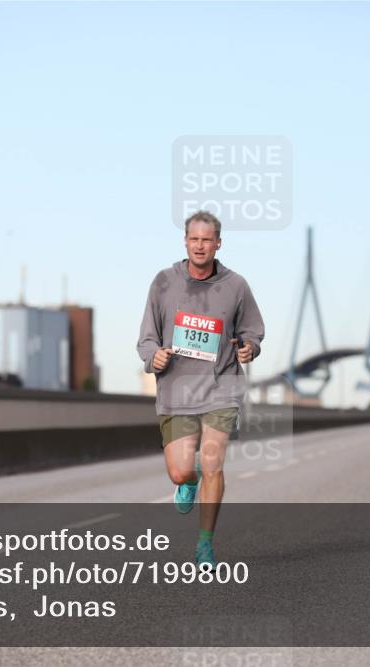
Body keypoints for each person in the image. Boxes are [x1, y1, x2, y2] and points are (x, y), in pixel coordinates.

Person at [137, 211, 265, 567]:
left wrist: (249, 347)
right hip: (177, 390)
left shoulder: (236, 286)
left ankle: (205, 543)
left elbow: (253, 331)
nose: (200, 245)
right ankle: (186, 482)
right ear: (185, 242)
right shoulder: (164, 283)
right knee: (181, 470)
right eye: (194, 239)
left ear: (218, 243)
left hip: (220, 387)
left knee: (212, 462)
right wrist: (153, 358)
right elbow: (147, 338)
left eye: (207, 240)